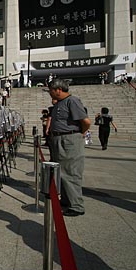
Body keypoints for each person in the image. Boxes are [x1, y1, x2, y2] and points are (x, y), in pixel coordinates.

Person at [47, 79, 91, 217]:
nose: (49, 93)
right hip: (59, 139)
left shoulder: (72, 101)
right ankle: (66, 201)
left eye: (51, 90)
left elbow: (86, 122)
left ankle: (76, 206)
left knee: (71, 173)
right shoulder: (59, 104)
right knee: (62, 172)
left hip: (69, 140)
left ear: (58, 90)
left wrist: (79, 134)